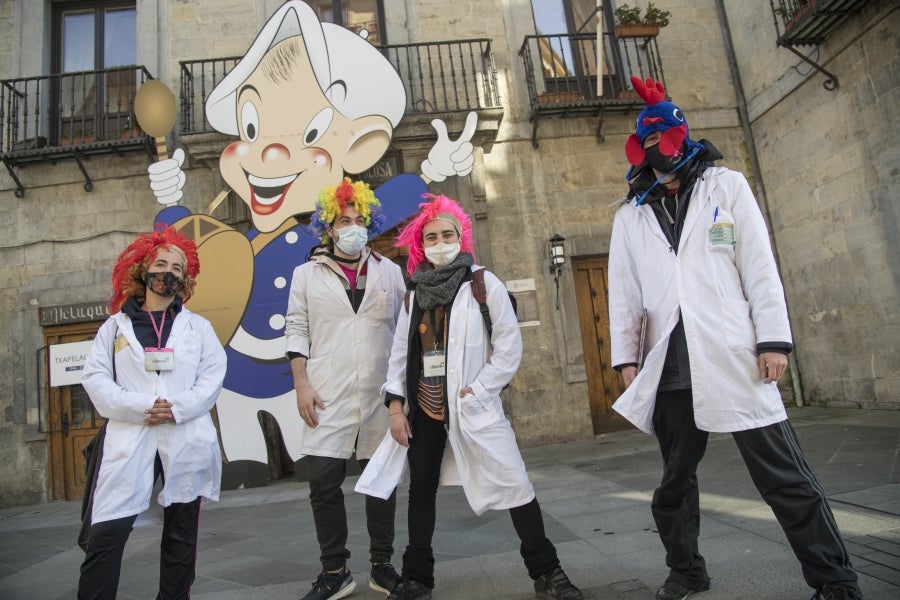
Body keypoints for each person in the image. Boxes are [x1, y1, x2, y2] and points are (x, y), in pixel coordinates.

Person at [608, 77, 861, 600]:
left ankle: (834, 580)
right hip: (671, 362)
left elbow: (759, 267)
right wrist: (627, 359)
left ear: (684, 138)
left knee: (784, 476)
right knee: (675, 483)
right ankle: (687, 571)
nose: (661, 158)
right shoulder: (630, 213)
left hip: (734, 352)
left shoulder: (728, 186)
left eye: (667, 145)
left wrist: (773, 340)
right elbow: (624, 292)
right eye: (650, 149)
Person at [355, 195, 584, 600]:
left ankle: (548, 574)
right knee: (421, 490)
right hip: (424, 407)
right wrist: (395, 407)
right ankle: (417, 579)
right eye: (431, 237)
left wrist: (480, 389)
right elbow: (398, 355)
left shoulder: (482, 283)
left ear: (461, 237)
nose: (439, 241)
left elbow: (509, 347)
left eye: (447, 234)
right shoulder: (413, 295)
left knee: (514, 482)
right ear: (420, 245)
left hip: (472, 406)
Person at [78, 228, 227, 600]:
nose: (169, 272)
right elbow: (95, 378)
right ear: (143, 270)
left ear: (185, 278)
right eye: (161, 263)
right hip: (131, 435)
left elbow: (212, 377)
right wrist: (140, 407)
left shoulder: (198, 328)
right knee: (107, 531)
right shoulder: (114, 328)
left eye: (177, 267)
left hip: (184, 436)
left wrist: (175, 409)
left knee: (181, 534)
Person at [285, 178, 406, 600]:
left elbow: (403, 333)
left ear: (369, 224)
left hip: (378, 394)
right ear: (328, 227)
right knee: (322, 483)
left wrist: (400, 396)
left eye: (359, 220)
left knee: (381, 482)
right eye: (344, 221)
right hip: (326, 393)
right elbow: (297, 330)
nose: (352, 227)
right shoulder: (305, 274)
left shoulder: (390, 272)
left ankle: (382, 566)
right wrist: (301, 384)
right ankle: (335, 571)